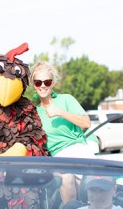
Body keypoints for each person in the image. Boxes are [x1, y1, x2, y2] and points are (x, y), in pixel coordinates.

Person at [30, 61, 100, 205]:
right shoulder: (34, 113)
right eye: (38, 82)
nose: (43, 85)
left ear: (52, 83)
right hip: (57, 159)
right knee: (67, 178)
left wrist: (60, 112)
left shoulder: (66, 99)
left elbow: (86, 123)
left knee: (94, 185)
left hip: (79, 150)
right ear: (34, 85)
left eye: (47, 82)